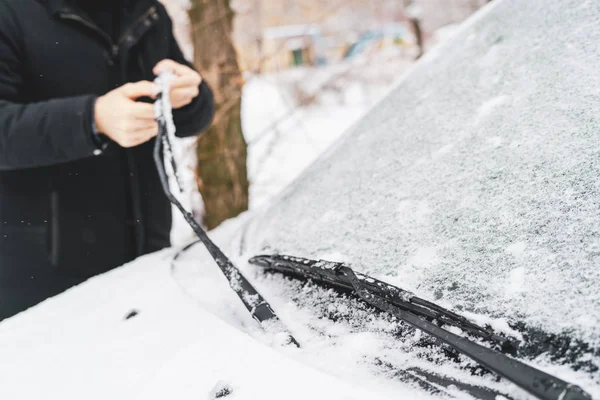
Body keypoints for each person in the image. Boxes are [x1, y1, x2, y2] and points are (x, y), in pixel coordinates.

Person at [0, 0, 215, 321]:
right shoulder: (10, 12)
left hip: (147, 256)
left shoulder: (148, 11)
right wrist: (91, 120)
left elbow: (193, 117)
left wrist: (190, 97)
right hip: (45, 277)